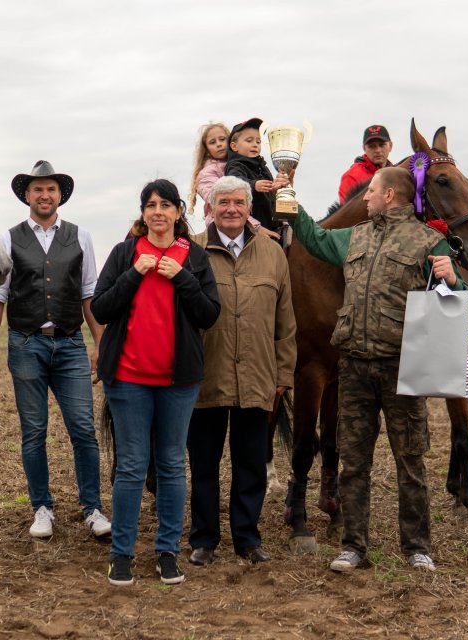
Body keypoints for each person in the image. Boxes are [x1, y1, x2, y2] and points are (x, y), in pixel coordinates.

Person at [289, 166, 468, 574]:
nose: (364, 197)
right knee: (354, 461)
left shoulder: (429, 242)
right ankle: (353, 546)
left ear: (389, 195)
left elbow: (456, 302)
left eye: (370, 191)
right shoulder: (356, 236)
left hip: (402, 369)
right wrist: (290, 203)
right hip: (353, 367)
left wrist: (453, 279)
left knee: (410, 461)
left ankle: (417, 548)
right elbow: (314, 238)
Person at [91, 179, 220, 587]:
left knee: (170, 464)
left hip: (178, 382)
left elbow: (208, 314)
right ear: (143, 213)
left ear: (179, 212)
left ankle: (167, 552)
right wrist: (133, 274)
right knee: (131, 466)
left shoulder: (194, 257)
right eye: (151, 205)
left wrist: (182, 277)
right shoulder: (125, 253)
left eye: (166, 205)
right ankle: (122, 554)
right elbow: (100, 307)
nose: (158, 212)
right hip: (128, 378)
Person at [0, 160, 110, 541]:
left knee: (83, 430)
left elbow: (89, 293)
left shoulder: (80, 236)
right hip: (25, 344)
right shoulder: (8, 238)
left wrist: (100, 342)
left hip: (69, 344)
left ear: (60, 196)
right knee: (33, 431)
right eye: (37, 189)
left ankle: (93, 508)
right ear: (27, 195)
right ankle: (42, 508)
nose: (44, 195)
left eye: (51, 189)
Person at [187, 176, 296, 567]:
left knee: (250, 463)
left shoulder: (273, 254)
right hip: (204, 377)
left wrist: (283, 375)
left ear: (250, 209)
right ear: (211, 208)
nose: (231, 209)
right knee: (204, 464)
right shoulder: (193, 250)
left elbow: (286, 322)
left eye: (239, 202)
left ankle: (247, 538)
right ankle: (203, 539)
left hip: (258, 377)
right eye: (224, 203)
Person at [223, 117, 290, 241]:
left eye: (258, 142)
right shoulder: (235, 165)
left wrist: (276, 187)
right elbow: (234, 182)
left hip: (273, 224)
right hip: (252, 230)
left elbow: (270, 191)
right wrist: (253, 185)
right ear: (234, 146)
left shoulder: (262, 166)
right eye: (249, 140)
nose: (255, 144)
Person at [337, 124, 393, 204]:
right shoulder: (351, 176)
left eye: (382, 145)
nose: (377, 150)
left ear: (390, 146)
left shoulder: (397, 173)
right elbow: (348, 213)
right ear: (364, 148)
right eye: (372, 146)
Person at [187, 122, 228, 224]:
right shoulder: (206, 174)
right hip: (221, 227)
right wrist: (255, 226)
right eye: (212, 142)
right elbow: (222, 203)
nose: (219, 144)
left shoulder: (239, 165)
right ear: (207, 150)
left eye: (222, 139)